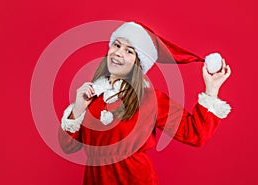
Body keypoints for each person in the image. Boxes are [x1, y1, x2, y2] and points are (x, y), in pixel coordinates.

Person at [58, 21, 231, 185]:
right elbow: (68, 147)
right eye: (116, 45)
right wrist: (78, 108)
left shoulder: (150, 99)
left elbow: (194, 134)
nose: (118, 53)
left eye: (129, 51)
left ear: (138, 63)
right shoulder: (93, 95)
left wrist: (212, 89)